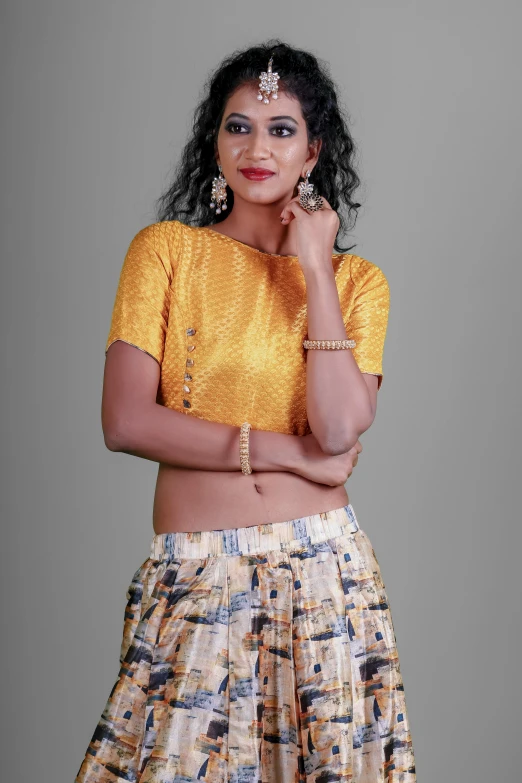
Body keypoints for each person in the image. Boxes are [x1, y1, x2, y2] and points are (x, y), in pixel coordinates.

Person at [75, 39, 416, 783]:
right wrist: (287, 454)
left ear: (313, 151)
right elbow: (125, 420)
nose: (257, 147)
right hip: (196, 577)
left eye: (281, 129)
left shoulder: (359, 283)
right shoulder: (166, 253)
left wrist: (317, 265)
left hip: (328, 578)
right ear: (216, 141)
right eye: (238, 126)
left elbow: (337, 428)